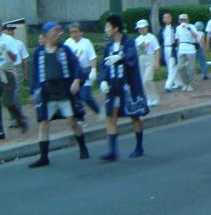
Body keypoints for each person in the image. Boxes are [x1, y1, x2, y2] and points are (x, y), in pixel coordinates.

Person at [28, 22, 89, 167]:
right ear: (46, 35)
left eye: (59, 32)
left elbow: (76, 66)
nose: (58, 34)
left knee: (72, 121)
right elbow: (34, 74)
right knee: (44, 123)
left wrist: (76, 80)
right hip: (46, 94)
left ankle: (82, 147)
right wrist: (33, 91)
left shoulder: (64, 50)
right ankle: (44, 156)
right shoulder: (39, 53)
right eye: (55, 32)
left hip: (64, 92)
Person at [99, 15, 149, 161]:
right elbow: (104, 66)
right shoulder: (109, 46)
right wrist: (102, 80)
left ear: (116, 28)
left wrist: (121, 57)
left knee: (134, 116)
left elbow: (132, 56)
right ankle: (112, 151)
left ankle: (139, 146)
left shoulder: (129, 42)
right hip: (113, 86)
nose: (106, 29)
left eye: (108, 26)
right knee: (111, 117)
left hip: (128, 86)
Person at [64, 22, 101, 119]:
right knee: (75, 96)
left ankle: (98, 110)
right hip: (73, 73)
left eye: (76, 32)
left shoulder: (86, 42)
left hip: (85, 72)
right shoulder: (68, 42)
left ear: (81, 32)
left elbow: (92, 57)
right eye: (71, 32)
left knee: (85, 95)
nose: (73, 34)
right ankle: (81, 117)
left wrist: (93, 69)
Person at [0, 23, 28, 134]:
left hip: (7, 73)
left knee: (7, 102)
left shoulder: (8, 40)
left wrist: (8, 52)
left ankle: (20, 119)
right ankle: (0, 130)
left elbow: (15, 57)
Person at [134, 20, 161, 107]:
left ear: (146, 27)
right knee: (143, 81)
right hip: (141, 60)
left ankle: (155, 98)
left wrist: (157, 61)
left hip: (150, 58)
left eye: (143, 28)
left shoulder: (152, 37)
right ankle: (149, 98)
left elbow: (157, 49)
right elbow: (138, 52)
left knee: (147, 79)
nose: (141, 30)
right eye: (139, 28)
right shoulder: (137, 39)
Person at [175, 14, 202, 92]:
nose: (183, 21)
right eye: (181, 19)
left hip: (190, 48)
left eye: (184, 19)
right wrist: (178, 48)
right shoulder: (178, 28)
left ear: (187, 20)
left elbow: (195, 36)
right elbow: (178, 39)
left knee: (191, 68)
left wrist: (188, 28)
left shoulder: (192, 26)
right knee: (180, 67)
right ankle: (185, 83)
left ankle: (191, 84)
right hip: (181, 48)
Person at [158, 12, 181, 92]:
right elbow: (160, 40)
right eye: (165, 17)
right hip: (165, 48)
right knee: (170, 67)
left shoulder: (175, 28)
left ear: (171, 18)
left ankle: (168, 85)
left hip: (173, 48)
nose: (167, 19)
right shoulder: (162, 29)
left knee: (172, 66)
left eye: (168, 17)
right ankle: (178, 83)